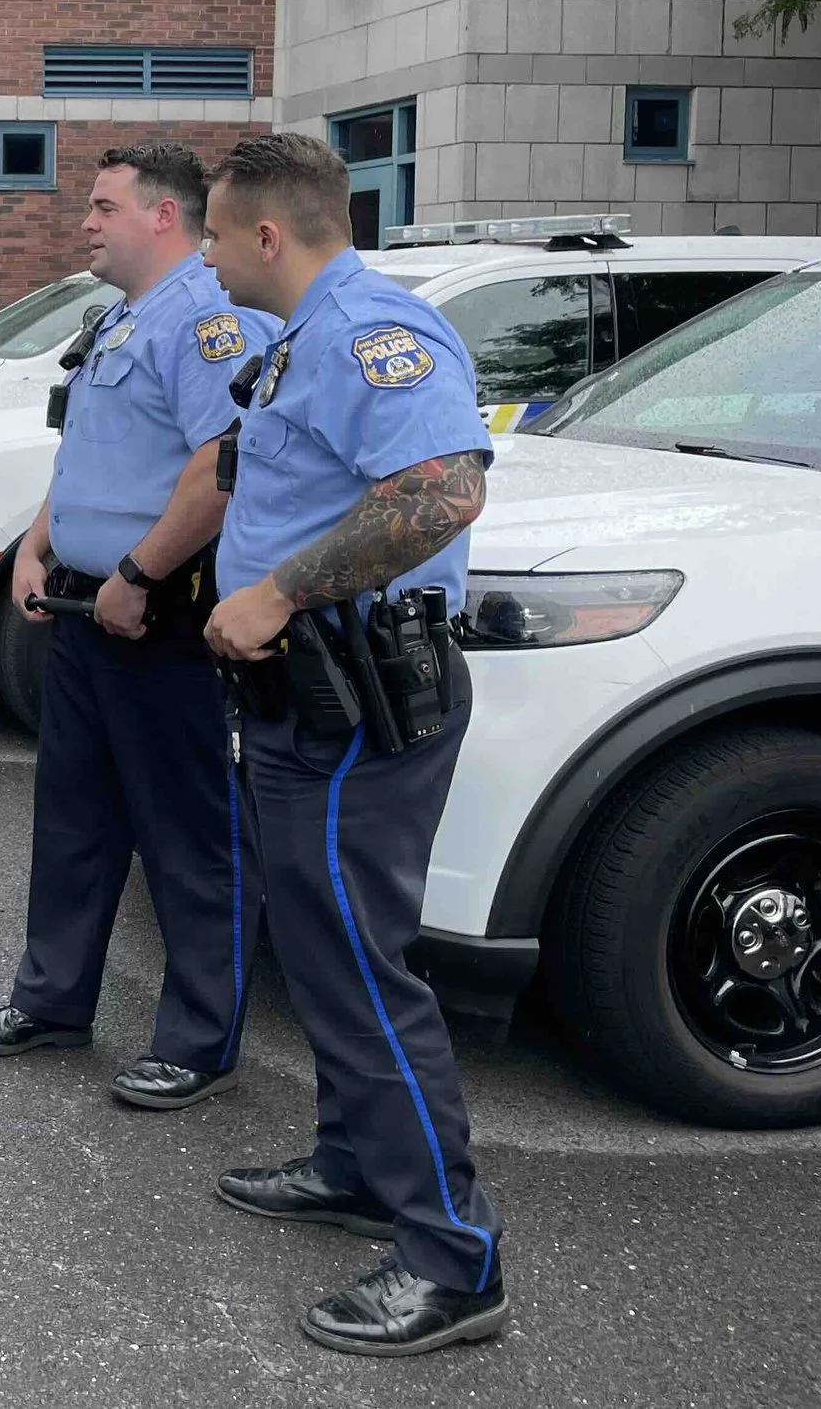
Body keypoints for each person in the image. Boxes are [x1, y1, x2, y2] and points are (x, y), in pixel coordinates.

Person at [197, 131, 506, 1357]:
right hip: (300, 696)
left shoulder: (377, 332)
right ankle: (355, 1167)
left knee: (362, 972)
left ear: (268, 234)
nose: (207, 258)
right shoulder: (303, 337)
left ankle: (452, 1260)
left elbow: (441, 491)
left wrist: (275, 593)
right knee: (323, 958)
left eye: (215, 235)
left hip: (354, 696)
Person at [0, 142, 275, 1107]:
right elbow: (88, 455)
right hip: (86, 606)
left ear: (163, 215)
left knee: (188, 834)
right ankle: (53, 1001)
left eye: (103, 206)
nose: (86, 222)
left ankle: (199, 1039)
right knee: (75, 818)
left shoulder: (209, 319)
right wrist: (36, 544)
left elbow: (221, 464)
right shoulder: (122, 317)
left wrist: (139, 573)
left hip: (160, 614)